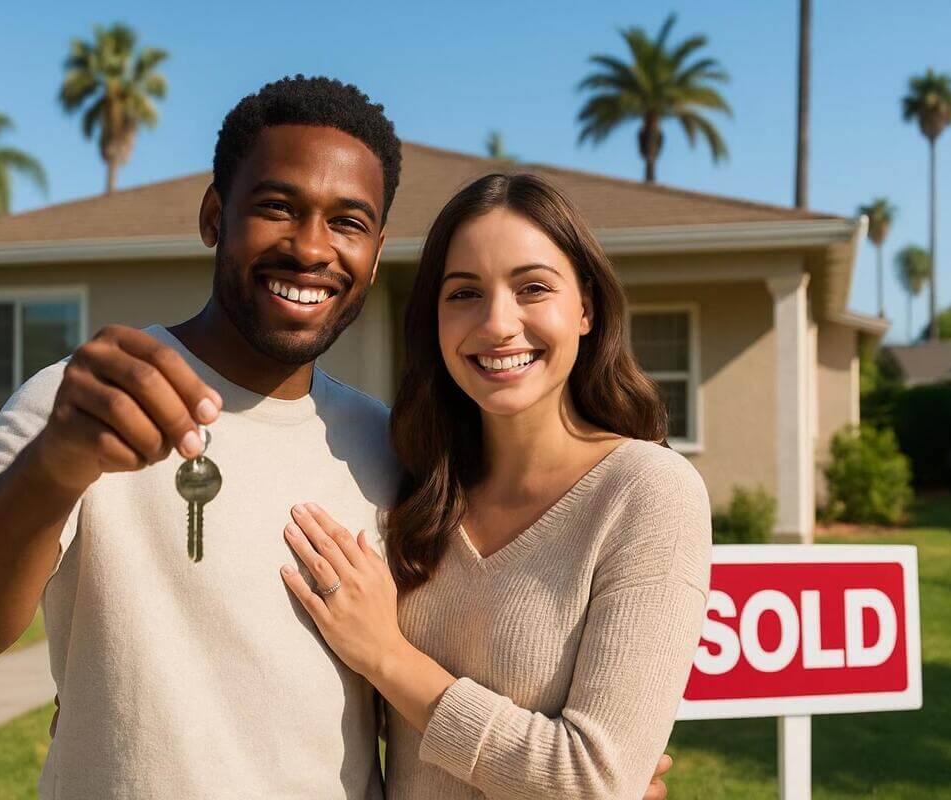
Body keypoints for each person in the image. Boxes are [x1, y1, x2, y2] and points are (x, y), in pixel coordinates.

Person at [0, 76, 673, 799]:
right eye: (276, 206)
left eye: (348, 222)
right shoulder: (86, 406)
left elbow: (430, 692)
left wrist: (586, 778)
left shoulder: (392, 447)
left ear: (373, 257)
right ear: (212, 217)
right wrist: (52, 471)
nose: (311, 246)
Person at [278, 173, 711, 799]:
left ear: (585, 306)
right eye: (464, 294)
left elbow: (590, 781)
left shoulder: (648, 492)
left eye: (533, 288)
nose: (498, 324)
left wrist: (388, 656)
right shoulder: (416, 490)